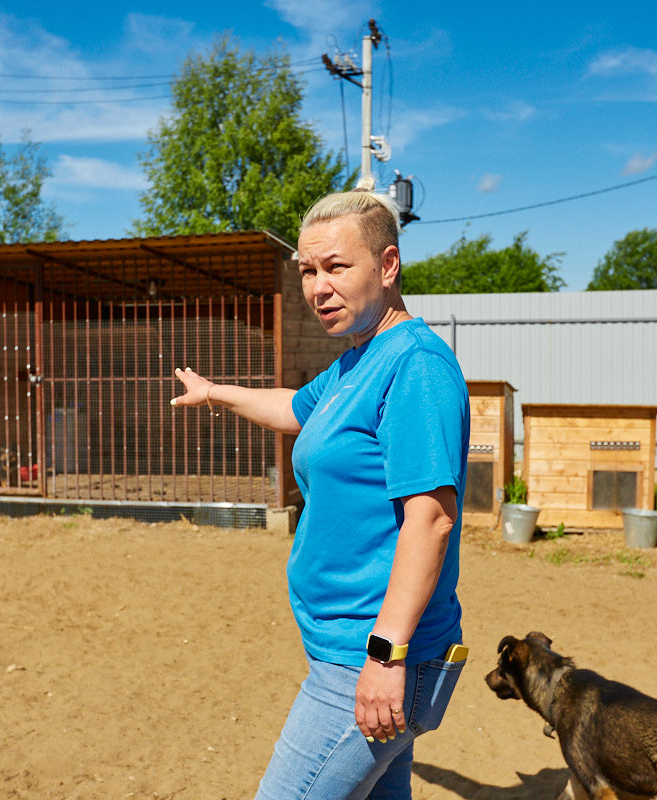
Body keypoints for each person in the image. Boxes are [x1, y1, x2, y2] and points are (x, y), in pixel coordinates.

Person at [170, 186, 470, 799]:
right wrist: (217, 393)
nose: (317, 287)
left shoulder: (414, 366)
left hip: (370, 654)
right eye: (308, 270)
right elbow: (299, 410)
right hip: (349, 647)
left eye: (336, 267)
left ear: (387, 266)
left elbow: (431, 519)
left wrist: (385, 658)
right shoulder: (358, 359)